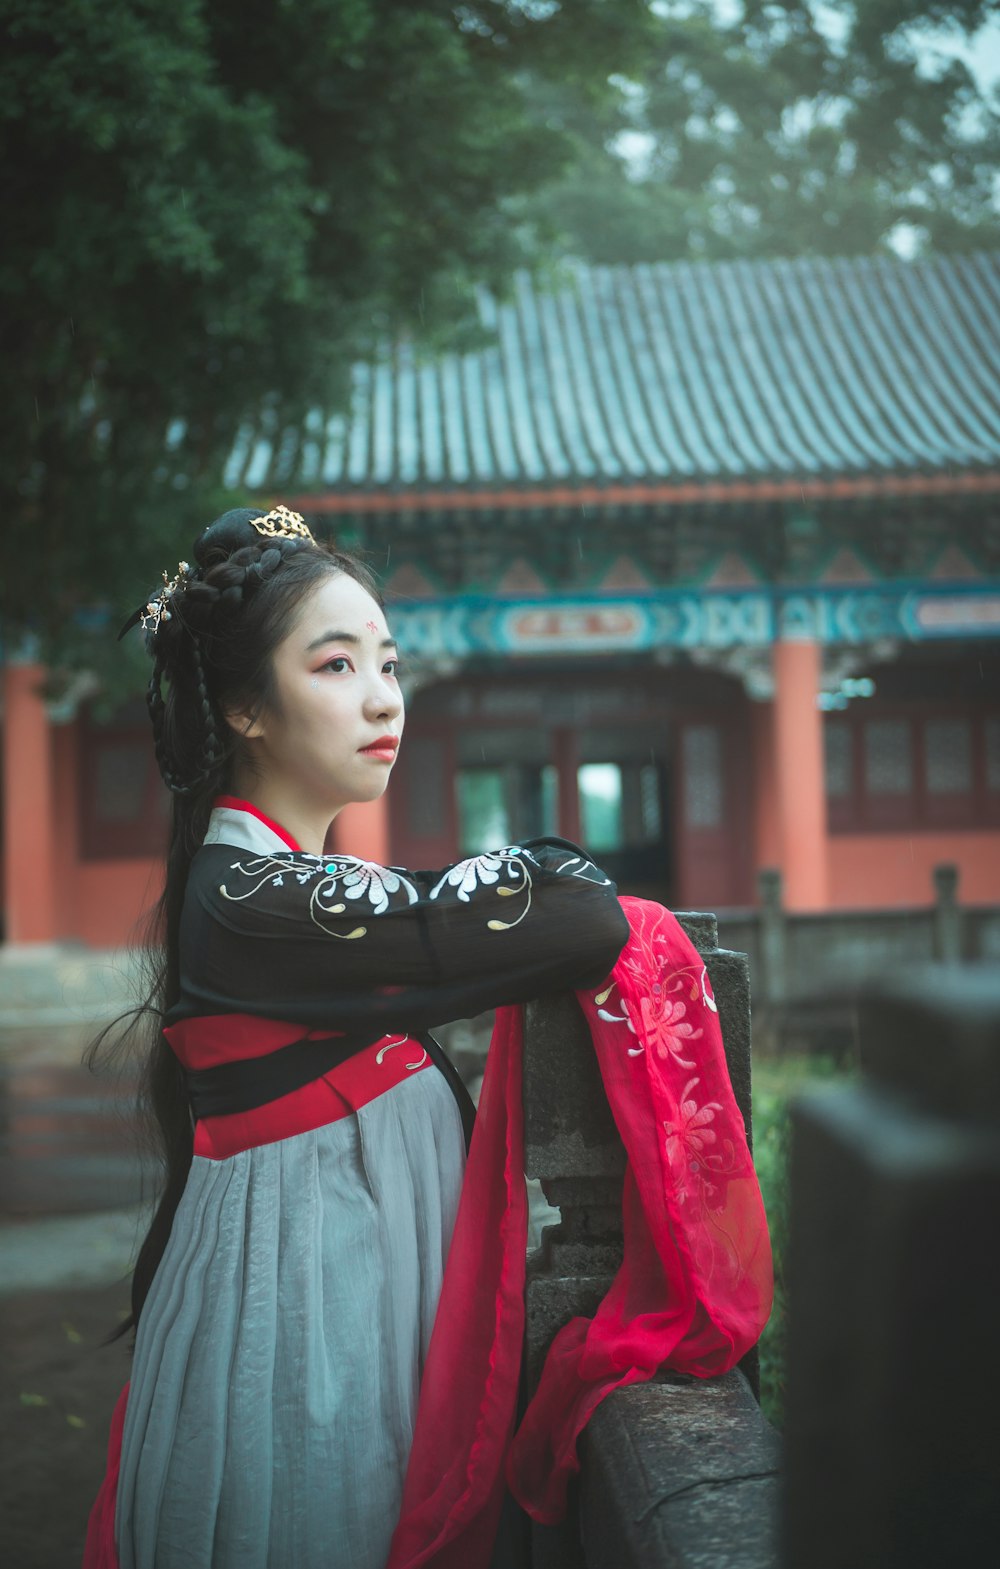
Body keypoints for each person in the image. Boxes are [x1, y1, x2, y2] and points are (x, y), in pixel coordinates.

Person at [85, 505, 771, 1569]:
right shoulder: (254, 903)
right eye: (335, 665)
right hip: (303, 1327)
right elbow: (580, 914)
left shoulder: (301, 893)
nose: (380, 698)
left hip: (353, 1304)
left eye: (390, 665)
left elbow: (499, 910)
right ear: (241, 706)